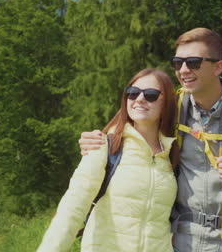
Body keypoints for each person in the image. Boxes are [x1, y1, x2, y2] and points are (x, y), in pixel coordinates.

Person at [79, 28, 222, 252]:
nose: (183, 70)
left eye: (193, 62)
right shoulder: (171, 106)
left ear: (218, 67)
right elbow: (126, 126)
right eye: (178, 63)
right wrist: (98, 141)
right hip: (180, 240)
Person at [38, 68, 178, 252]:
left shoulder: (172, 155)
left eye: (151, 95)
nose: (139, 99)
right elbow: (72, 208)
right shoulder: (104, 147)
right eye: (132, 93)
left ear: (166, 103)